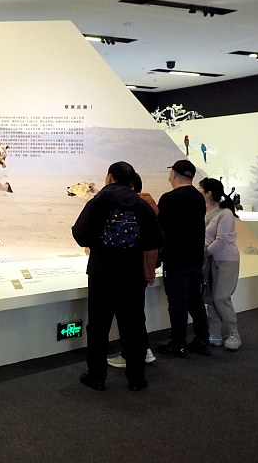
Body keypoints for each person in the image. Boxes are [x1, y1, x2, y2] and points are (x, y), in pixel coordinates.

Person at [73, 161, 163, 391]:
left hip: (102, 273)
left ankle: (97, 377)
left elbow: (80, 233)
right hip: (132, 276)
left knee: (98, 327)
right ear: (131, 181)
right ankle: (136, 379)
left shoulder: (98, 202)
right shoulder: (141, 205)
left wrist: (98, 243)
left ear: (109, 177)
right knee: (133, 326)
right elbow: (156, 239)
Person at [156, 160, 210, 357]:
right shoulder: (198, 197)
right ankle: (202, 340)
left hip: (176, 258)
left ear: (174, 174)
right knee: (195, 301)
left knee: (177, 303)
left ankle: (178, 343)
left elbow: (161, 230)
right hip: (195, 258)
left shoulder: (168, 199)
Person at [107, 172, 158, 369]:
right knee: (136, 313)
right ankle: (142, 351)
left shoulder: (136, 205)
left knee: (129, 315)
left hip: (132, 268)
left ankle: (135, 353)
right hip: (143, 268)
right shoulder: (148, 205)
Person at [199, 177, 242, 350]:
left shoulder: (225, 213)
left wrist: (204, 253)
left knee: (221, 297)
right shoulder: (203, 211)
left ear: (209, 193)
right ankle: (214, 332)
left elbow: (222, 239)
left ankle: (233, 332)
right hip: (209, 260)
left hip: (226, 260)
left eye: (201, 190)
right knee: (209, 296)